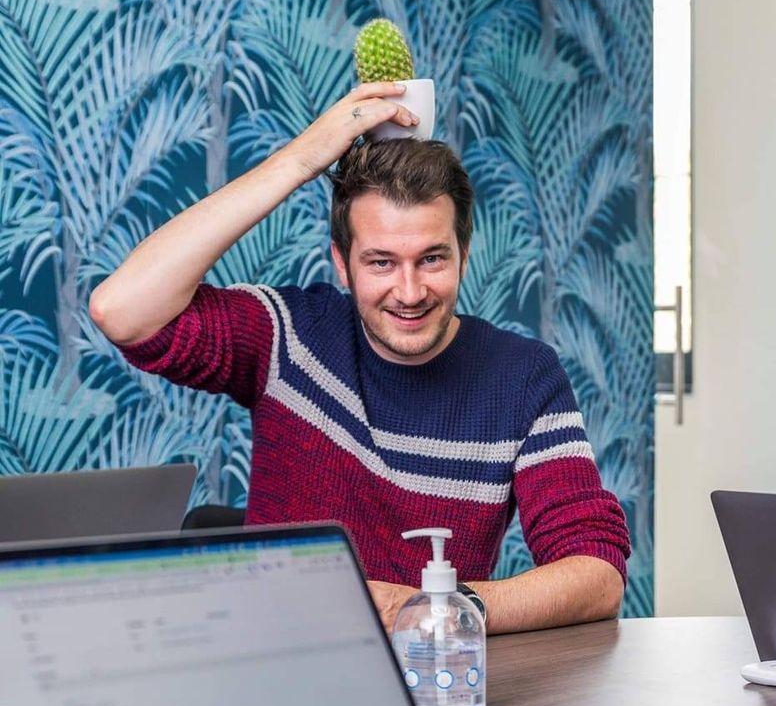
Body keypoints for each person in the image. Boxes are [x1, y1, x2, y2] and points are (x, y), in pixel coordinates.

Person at [90, 82, 630, 634]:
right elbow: (121, 310)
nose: (410, 291)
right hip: (271, 659)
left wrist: (432, 608)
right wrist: (301, 160)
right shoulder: (287, 335)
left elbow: (597, 575)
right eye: (380, 263)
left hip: (427, 670)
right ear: (342, 264)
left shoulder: (523, 377)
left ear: (464, 256)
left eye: (432, 259)